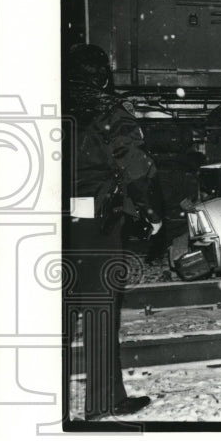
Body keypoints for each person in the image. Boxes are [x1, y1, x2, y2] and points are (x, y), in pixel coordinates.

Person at [64, 43, 164, 420]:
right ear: (101, 77)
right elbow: (137, 169)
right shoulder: (107, 114)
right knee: (99, 312)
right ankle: (103, 400)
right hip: (94, 227)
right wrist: (154, 215)